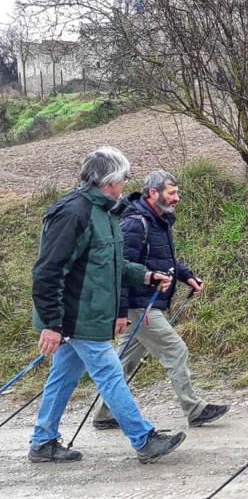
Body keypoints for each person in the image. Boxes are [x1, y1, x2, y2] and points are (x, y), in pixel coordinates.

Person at [29, 147, 186, 464]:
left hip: (87, 315)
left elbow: (110, 265)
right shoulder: (74, 214)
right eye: (125, 177)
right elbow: (48, 271)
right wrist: (51, 324)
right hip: (76, 317)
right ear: (110, 180)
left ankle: (43, 442)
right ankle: (143, 439)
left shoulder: (105, 213)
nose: (127, 182)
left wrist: (146, 275)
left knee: (63, 376)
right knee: (111, 374)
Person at [93, 170, 228, 430]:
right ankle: (194, 408)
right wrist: (122, 311)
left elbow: (163, 260)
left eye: (177, 192)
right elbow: (120, 268)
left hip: (144, 303)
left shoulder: (158, 220)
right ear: (153, 193)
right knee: (176, 350)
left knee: (124, 361)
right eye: (172, 192)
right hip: (141, 304)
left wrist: (186, 276)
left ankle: (103, 413)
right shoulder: (136, 223)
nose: (177, 197)